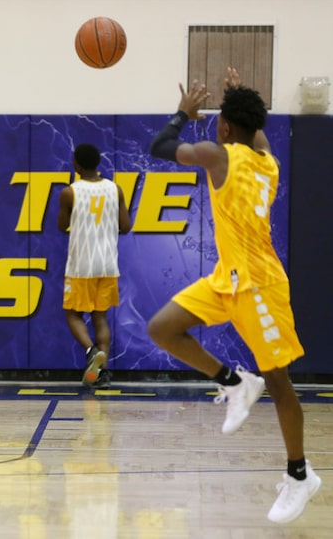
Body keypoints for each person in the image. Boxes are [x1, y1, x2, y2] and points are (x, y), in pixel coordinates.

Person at [147, 67, 321, 523]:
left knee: (281, 383)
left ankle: (300, 475)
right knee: (163, 328)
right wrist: (237, 97)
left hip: (259, 285)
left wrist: (182, 113)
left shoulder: (216, 155)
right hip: (229, 276)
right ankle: (234, 382)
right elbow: (255, 128)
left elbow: (160, 147)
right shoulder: (267, 159)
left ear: (223, 127)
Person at [57, 143, 132, 388]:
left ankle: (91, 352)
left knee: (72, 314)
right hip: (108, 264)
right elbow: (125, 226)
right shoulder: (115, 189)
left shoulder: (70, 192)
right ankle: (104, 374)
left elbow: (61, 225)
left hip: (81, 265)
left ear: (76, 165)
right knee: (101, 318)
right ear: (98, 163)